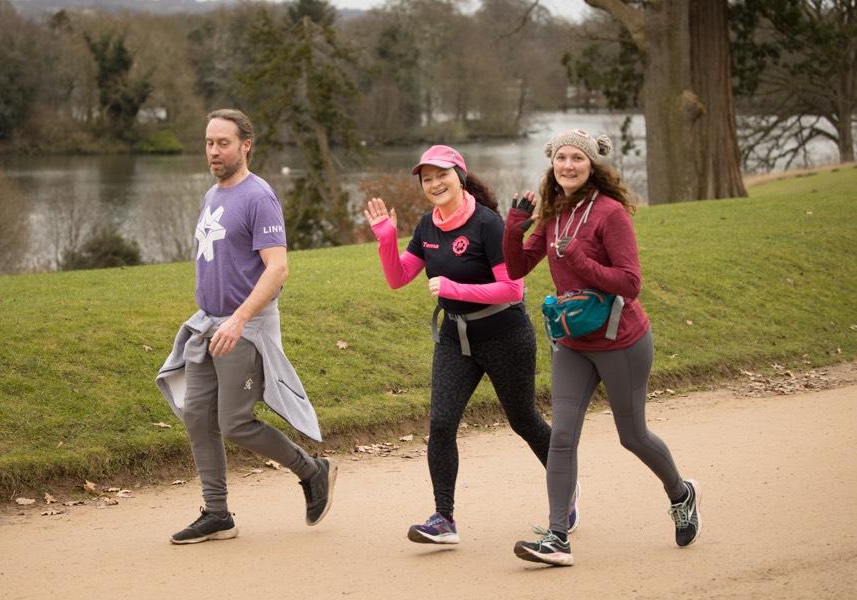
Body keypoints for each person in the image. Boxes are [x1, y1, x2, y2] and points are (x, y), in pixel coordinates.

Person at [504, 129, 701, 566]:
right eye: (561, 158)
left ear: (592, 164)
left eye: (577, 158)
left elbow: (630, 283)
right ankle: (557, 536)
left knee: (632, 436)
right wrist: (514, 227)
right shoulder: (553, 214)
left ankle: (681, 493)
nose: (567, 166)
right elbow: (516, 267)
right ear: (552, 165)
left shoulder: (610, 214)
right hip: (573, 341)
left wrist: (577, 259)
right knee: (561, 438)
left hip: (620, 341)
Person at [364, 145, 578, 545]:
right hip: (454, 337)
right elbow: (397, 278)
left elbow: (512, 288)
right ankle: (443, 519)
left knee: (523, 419)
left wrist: (451, 287)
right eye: (426, 179)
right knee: (441, 423)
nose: (433, 184)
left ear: (459, 176)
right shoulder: (428, 225)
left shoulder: (487, 224)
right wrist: (386, 239)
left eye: (441, 175)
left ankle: (565, 490)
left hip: (504, 335)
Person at [156, 109, 337, 544]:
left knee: (235, 423)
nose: (214, 151)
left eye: (223, 143)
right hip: (207, 327)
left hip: (245, 327)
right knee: (198, 417)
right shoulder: (211, 195)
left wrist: (238, 319)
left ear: (245, 146)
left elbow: (277, 269)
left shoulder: (260, 197)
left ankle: (312, 471)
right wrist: (213, 314)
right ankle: (217, 513)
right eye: (209, 143)